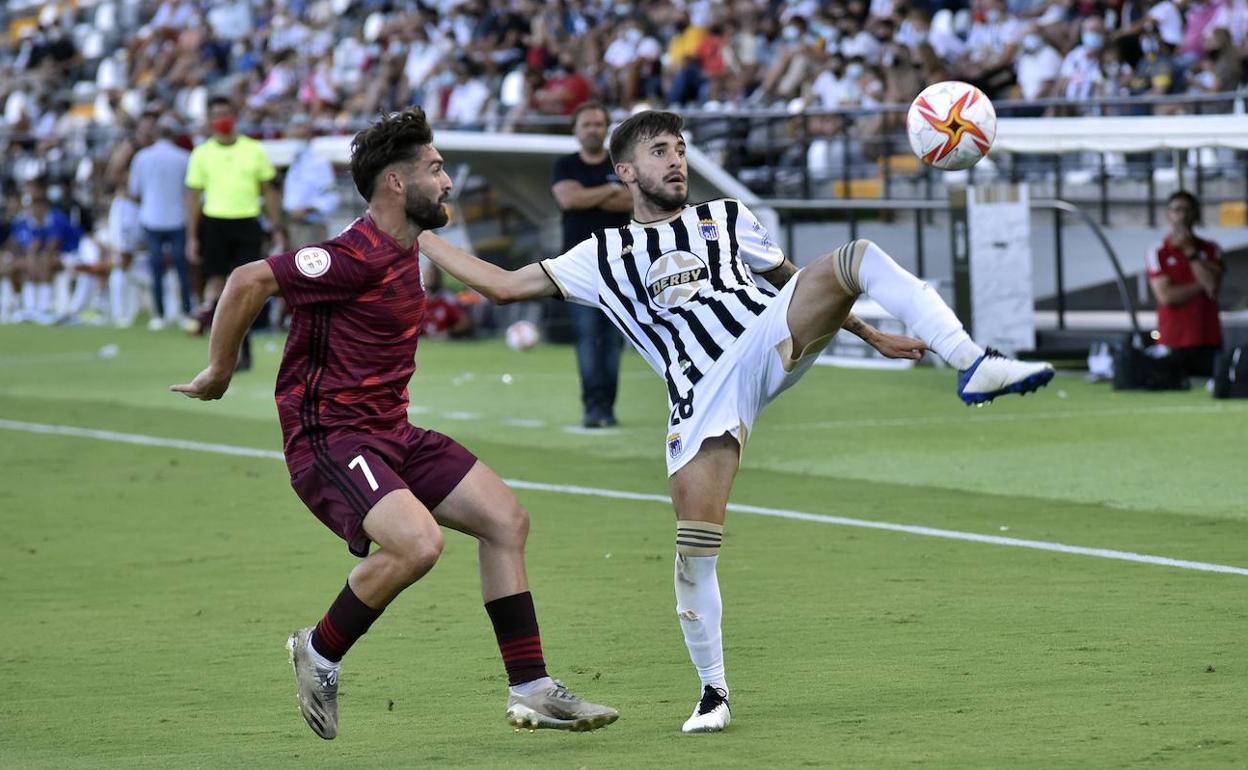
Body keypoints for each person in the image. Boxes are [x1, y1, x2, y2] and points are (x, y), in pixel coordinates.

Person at [417, 110, 1056, 734]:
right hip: (701, 395)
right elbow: (501, 286)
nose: (676, 161)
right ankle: (713, 693)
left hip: (763, 338)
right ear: (626, 170)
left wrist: (870, 334)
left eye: (680, 149)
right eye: (660, 151)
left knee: (855, 256)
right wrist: (415, 232)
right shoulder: (602, 254)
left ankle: (972, 361)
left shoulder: (725, 217)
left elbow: (796, 279)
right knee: (694, 553)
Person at [170, 108, 616, 741]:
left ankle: (531, 687)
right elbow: (248, 279)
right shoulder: (353, 256)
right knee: (418, 544)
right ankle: (318, 650)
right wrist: (220, 370)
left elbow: (497, 284)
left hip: (391, 432)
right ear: (397, 183)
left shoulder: (413, 244)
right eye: (436, 169)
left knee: (506, 520)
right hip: (330, 438)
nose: (448, 181)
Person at [184, 95, 286, 368]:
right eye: (216, 114)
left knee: (248, 287)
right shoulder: (201, 153)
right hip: (214, 223)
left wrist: (276, 227)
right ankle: (222, 354)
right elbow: (193, 197)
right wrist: (192, 237)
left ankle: (244, 346)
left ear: (235, 116)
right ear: (209, 120)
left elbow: (269, 191)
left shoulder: (253, 149)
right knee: (217, 286)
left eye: (225, 113)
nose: (222, 119)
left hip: (247, 222)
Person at [550, 102, 633, 427]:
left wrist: (590, 196)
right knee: (587, 337)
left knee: (612, 339)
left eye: (599, 124)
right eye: (587, 124)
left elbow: (631, 200)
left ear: (607, 128)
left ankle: (606, 408)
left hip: (619, 266)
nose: (593, 130)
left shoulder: (621, 163)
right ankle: (592, 407)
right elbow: (568, 199)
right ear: (576, 130)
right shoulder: (565, 165)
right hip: (577, 269)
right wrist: (610, 190)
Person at [1146, 191, 1224, 377]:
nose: (1182, 215)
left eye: (1187, 210)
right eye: (1177, 210)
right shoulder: (1158, 251)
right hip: (1173, 339)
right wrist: (1202, 284)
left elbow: (1213, 287)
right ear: (1168, 214)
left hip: (1207, 338)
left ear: (1195, 214)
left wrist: (1190, 252)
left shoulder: (1211, 249)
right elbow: (1166, 296)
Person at [130, 115, 192, 330]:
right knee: (181, 268)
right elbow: (189, 191)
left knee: (156, 268)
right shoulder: (184, 157)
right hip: (177, 218)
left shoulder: (142, 157)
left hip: (152, 218)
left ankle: (159, 314)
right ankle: (186, 312)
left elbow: (134, 190)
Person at [282, 114, 339, 251]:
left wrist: (307, 209)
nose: (296, 135)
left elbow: (331, 197)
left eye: (301, 133)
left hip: (311, 227)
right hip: (289, 227)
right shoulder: (287, 161)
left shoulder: (319, 162)